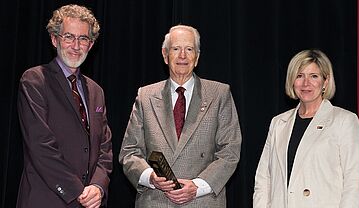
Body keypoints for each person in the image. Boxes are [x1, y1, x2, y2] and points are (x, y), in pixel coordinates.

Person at [119, 25, 242, 207]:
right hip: (156, 201)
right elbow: (129, 152)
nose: (182, 55)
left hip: (202, 201)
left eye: (189, 49)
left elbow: (230, 151)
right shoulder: (145, 96)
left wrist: (197, 187)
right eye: (176, 49)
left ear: (197, 57)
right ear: (165, 55)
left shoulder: (219, 94)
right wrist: (150, 177)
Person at [17, 4, 112, 208]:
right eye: (69, 37)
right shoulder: (34, 81)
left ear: (91, 44)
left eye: (83, 38)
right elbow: (40, 145)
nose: (76, 46)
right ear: (54, 39)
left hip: (90, 202)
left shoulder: (97, 91)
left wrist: (98, 186)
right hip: (46, 200)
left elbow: (105, 147)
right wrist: (78, 191)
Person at [253, 49, 359, 207]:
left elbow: (354, 183)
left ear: (325, 82)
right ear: (292, 81)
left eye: (314, 76)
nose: (306, 83)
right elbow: (264, 179)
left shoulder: (344, 121)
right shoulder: (278, 123)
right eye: (300, 76)